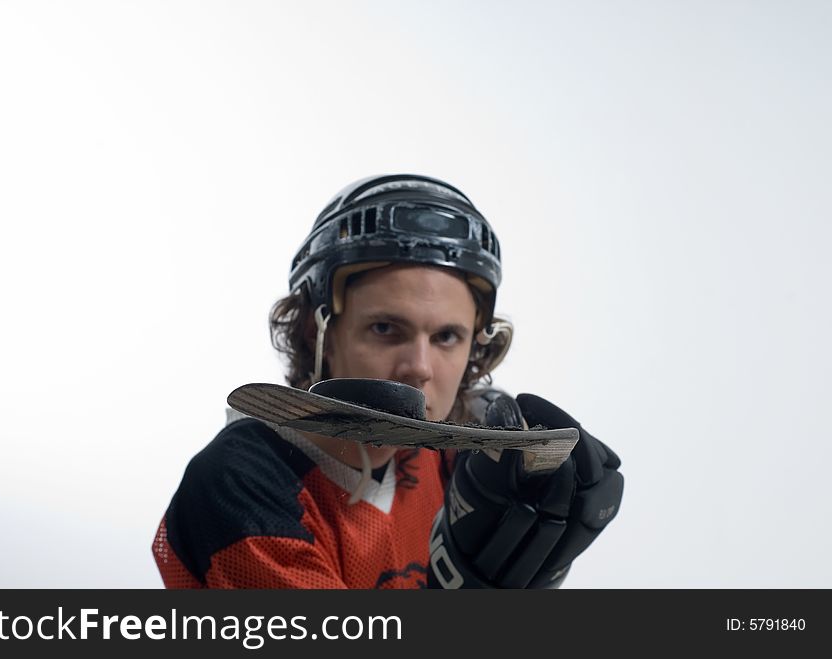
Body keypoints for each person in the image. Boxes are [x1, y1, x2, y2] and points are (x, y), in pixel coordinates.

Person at [152, 174, 624, 589]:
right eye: (385, 329)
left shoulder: (463, 470)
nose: (419, 367)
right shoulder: (241, 480)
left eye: (446, 337)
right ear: (317, 331)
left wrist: (539, 572)